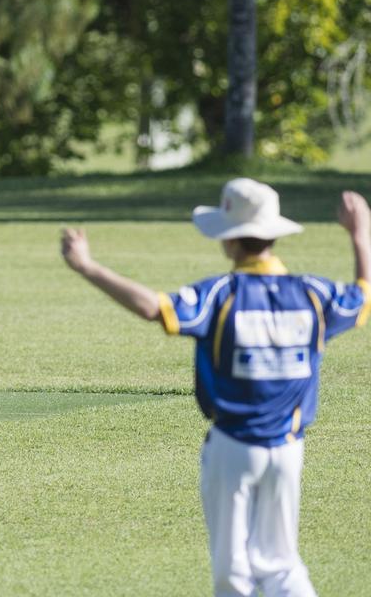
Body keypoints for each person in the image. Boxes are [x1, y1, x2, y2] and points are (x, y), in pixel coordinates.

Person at [61, 178, 370, 597]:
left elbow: (154, 307)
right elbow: (362, 297)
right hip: (289, 448)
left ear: (229, 241)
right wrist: (360, 234)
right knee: (281, 566)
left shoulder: (221, 295)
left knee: (232, 573)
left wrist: (87, 267)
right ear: (274, 235)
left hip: (232, 447)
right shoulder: (314, 294)